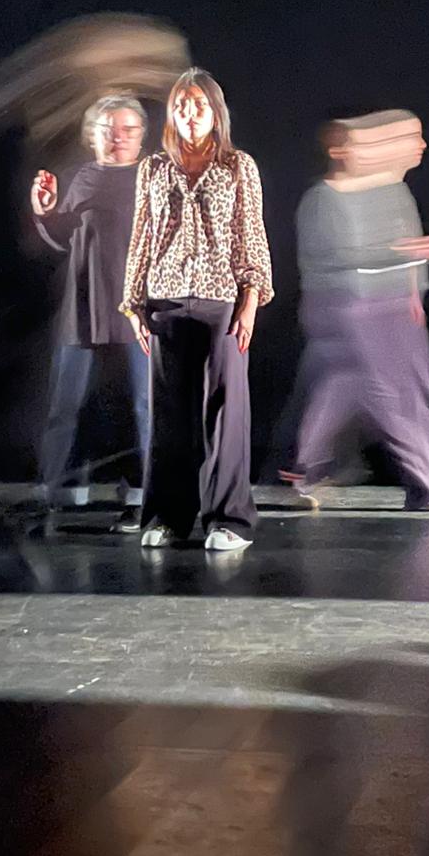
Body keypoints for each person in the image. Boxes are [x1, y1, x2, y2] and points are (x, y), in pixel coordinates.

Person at [293, 110, 429, 512]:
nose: (419, 146)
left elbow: (406, 247)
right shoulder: (322, 199)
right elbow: (345, 257)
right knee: (388, 397)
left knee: (352, 392)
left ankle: (301, 471)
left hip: (392, 309)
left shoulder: (394, 192)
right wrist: (415, 251)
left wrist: (414, 291)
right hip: (351, 309)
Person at [121, 68, 272, 552]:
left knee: (225, 415)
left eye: (199, 105)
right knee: (170, 416)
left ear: (215, 112)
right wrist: (133, 304)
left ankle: (230, 520)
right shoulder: (153, 169)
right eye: (181, 105)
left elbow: (251, 235)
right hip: (165, 299)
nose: (190, 114)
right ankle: (167, 517)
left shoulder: (237, 166)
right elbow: (142, 237)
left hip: (220, 301)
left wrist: (250, 303)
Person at [30, 94, 150, 533]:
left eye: (128, 130)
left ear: (141, 136)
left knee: (142, 406)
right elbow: (63, 240)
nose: (118, 137)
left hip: (137, 312)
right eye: (109, 129)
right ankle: (55, 492)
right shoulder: (81, 177)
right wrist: (45, 212)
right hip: (82, 309)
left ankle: (142, 497)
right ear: (93, 135)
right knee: (65, 404)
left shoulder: (152, 177)